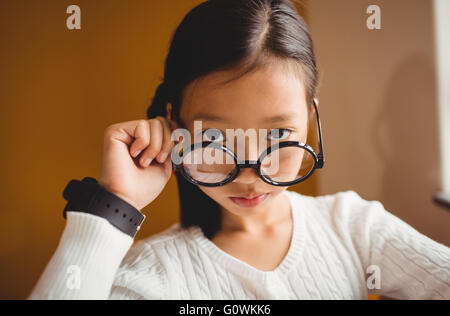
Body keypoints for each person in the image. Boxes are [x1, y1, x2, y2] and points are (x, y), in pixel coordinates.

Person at [28, 0, 449, 300]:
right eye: (214, 140)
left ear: (310, 118)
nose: (250, 173)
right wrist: (112, 206)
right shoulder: (152, 279)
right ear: (176, 127)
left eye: (278, 137)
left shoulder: (355, 229)